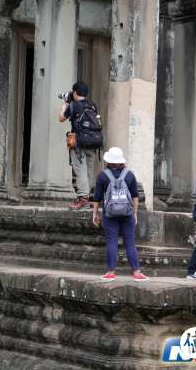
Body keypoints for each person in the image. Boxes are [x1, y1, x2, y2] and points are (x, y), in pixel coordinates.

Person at [92, 147, 148, 282]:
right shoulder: (129, 175)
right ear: (121, 161)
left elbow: (97, 197)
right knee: (130, 242)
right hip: (127, 214)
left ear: (109, 161)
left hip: (109, 214)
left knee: (112, 242)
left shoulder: (102, 175)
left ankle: (110, 272)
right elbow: (135, 196)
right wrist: (135, 213)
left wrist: (94, 213)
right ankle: (137, 273)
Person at [58, 81, 103, 210]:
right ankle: (87, 197)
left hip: (79, 143)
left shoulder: (73, 105)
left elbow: (61, 118)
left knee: (80, 171)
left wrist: (64, 105)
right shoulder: (92, 105)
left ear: (75, 93)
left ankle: (82, 198)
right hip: (94, 142)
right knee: (88, 171)